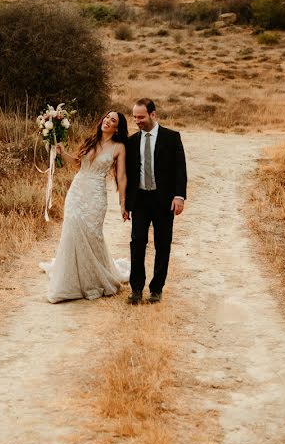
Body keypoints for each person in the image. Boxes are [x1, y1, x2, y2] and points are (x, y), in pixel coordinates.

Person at [41, 111, 131, 303]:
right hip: (77, 191)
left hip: (96, 196)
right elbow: (77, 164)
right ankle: (68, 282)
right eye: (106, 117)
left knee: (92, 235)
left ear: (117, 128)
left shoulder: (119, 147)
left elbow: (122, 177)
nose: (107, 121)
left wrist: (124, 203)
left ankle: (95, 277)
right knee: (72, 231)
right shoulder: (91, 140)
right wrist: (62, 152)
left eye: (113, 120)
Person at [122, 98, 187, 305]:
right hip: (140, 200)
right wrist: (125, 203)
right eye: (134, 117)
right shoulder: (131, 142)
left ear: (153, 114)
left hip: (164, 201)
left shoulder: (171, 138)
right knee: (137, 243)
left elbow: (180, 170)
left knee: (163, 245)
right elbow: (127, 176)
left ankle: (156, 289)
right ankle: (136, 289)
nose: (137, 121)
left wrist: (179, 196)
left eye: (141, 117)